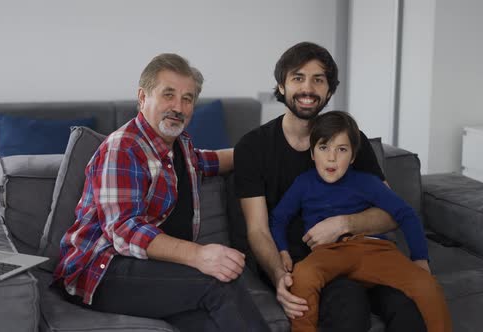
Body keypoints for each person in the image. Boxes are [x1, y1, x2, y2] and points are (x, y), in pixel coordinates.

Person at [53, 53, 270, 332]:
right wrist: (200, 255)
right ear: (143, 98)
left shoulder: (180, 147)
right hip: (103, 271)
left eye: (187, 98)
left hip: (155, 271)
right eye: (169, 95)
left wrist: (262, 152)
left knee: (212, 322)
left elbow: (209, 161)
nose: (178, 107)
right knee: (218, 282)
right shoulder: (123, 147)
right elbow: (124, 229)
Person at [234, 41, 427, 331]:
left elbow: (389, 212)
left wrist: (343, 224)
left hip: (364, 252)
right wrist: (277, 276)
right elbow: (258, 229)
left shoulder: (350, 140)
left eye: (318, 79)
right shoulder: (253, 147)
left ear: (329, 90)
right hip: (304, 265)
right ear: (282, 86)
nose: (308, 88)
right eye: (298, 78)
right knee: (349, 307)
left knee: (411, 306)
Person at [270, 110, 452, 332]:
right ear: (312, 153)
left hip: (373, 249)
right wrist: (282, 251)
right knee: (303, 276)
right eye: (323, 147)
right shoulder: (303, 183)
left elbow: (406, 214)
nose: (331, 157)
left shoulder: (367, 182)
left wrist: (420, 259)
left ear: (353, 157)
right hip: (329, 252)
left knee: (427, 286)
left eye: (342, 149)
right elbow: (278, 218)